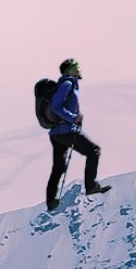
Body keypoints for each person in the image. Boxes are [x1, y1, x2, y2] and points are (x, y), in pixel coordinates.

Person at [45, 58, 110, 210]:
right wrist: (73, 118)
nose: (79, 69)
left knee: (58, 167)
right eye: (76, 67)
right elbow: (56, 106)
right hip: (66, 131)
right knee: (94, 150)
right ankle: (90, 186)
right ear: (69, 70)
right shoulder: (67, 84)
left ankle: (51, 201)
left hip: (57, 133)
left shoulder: (65, 85)